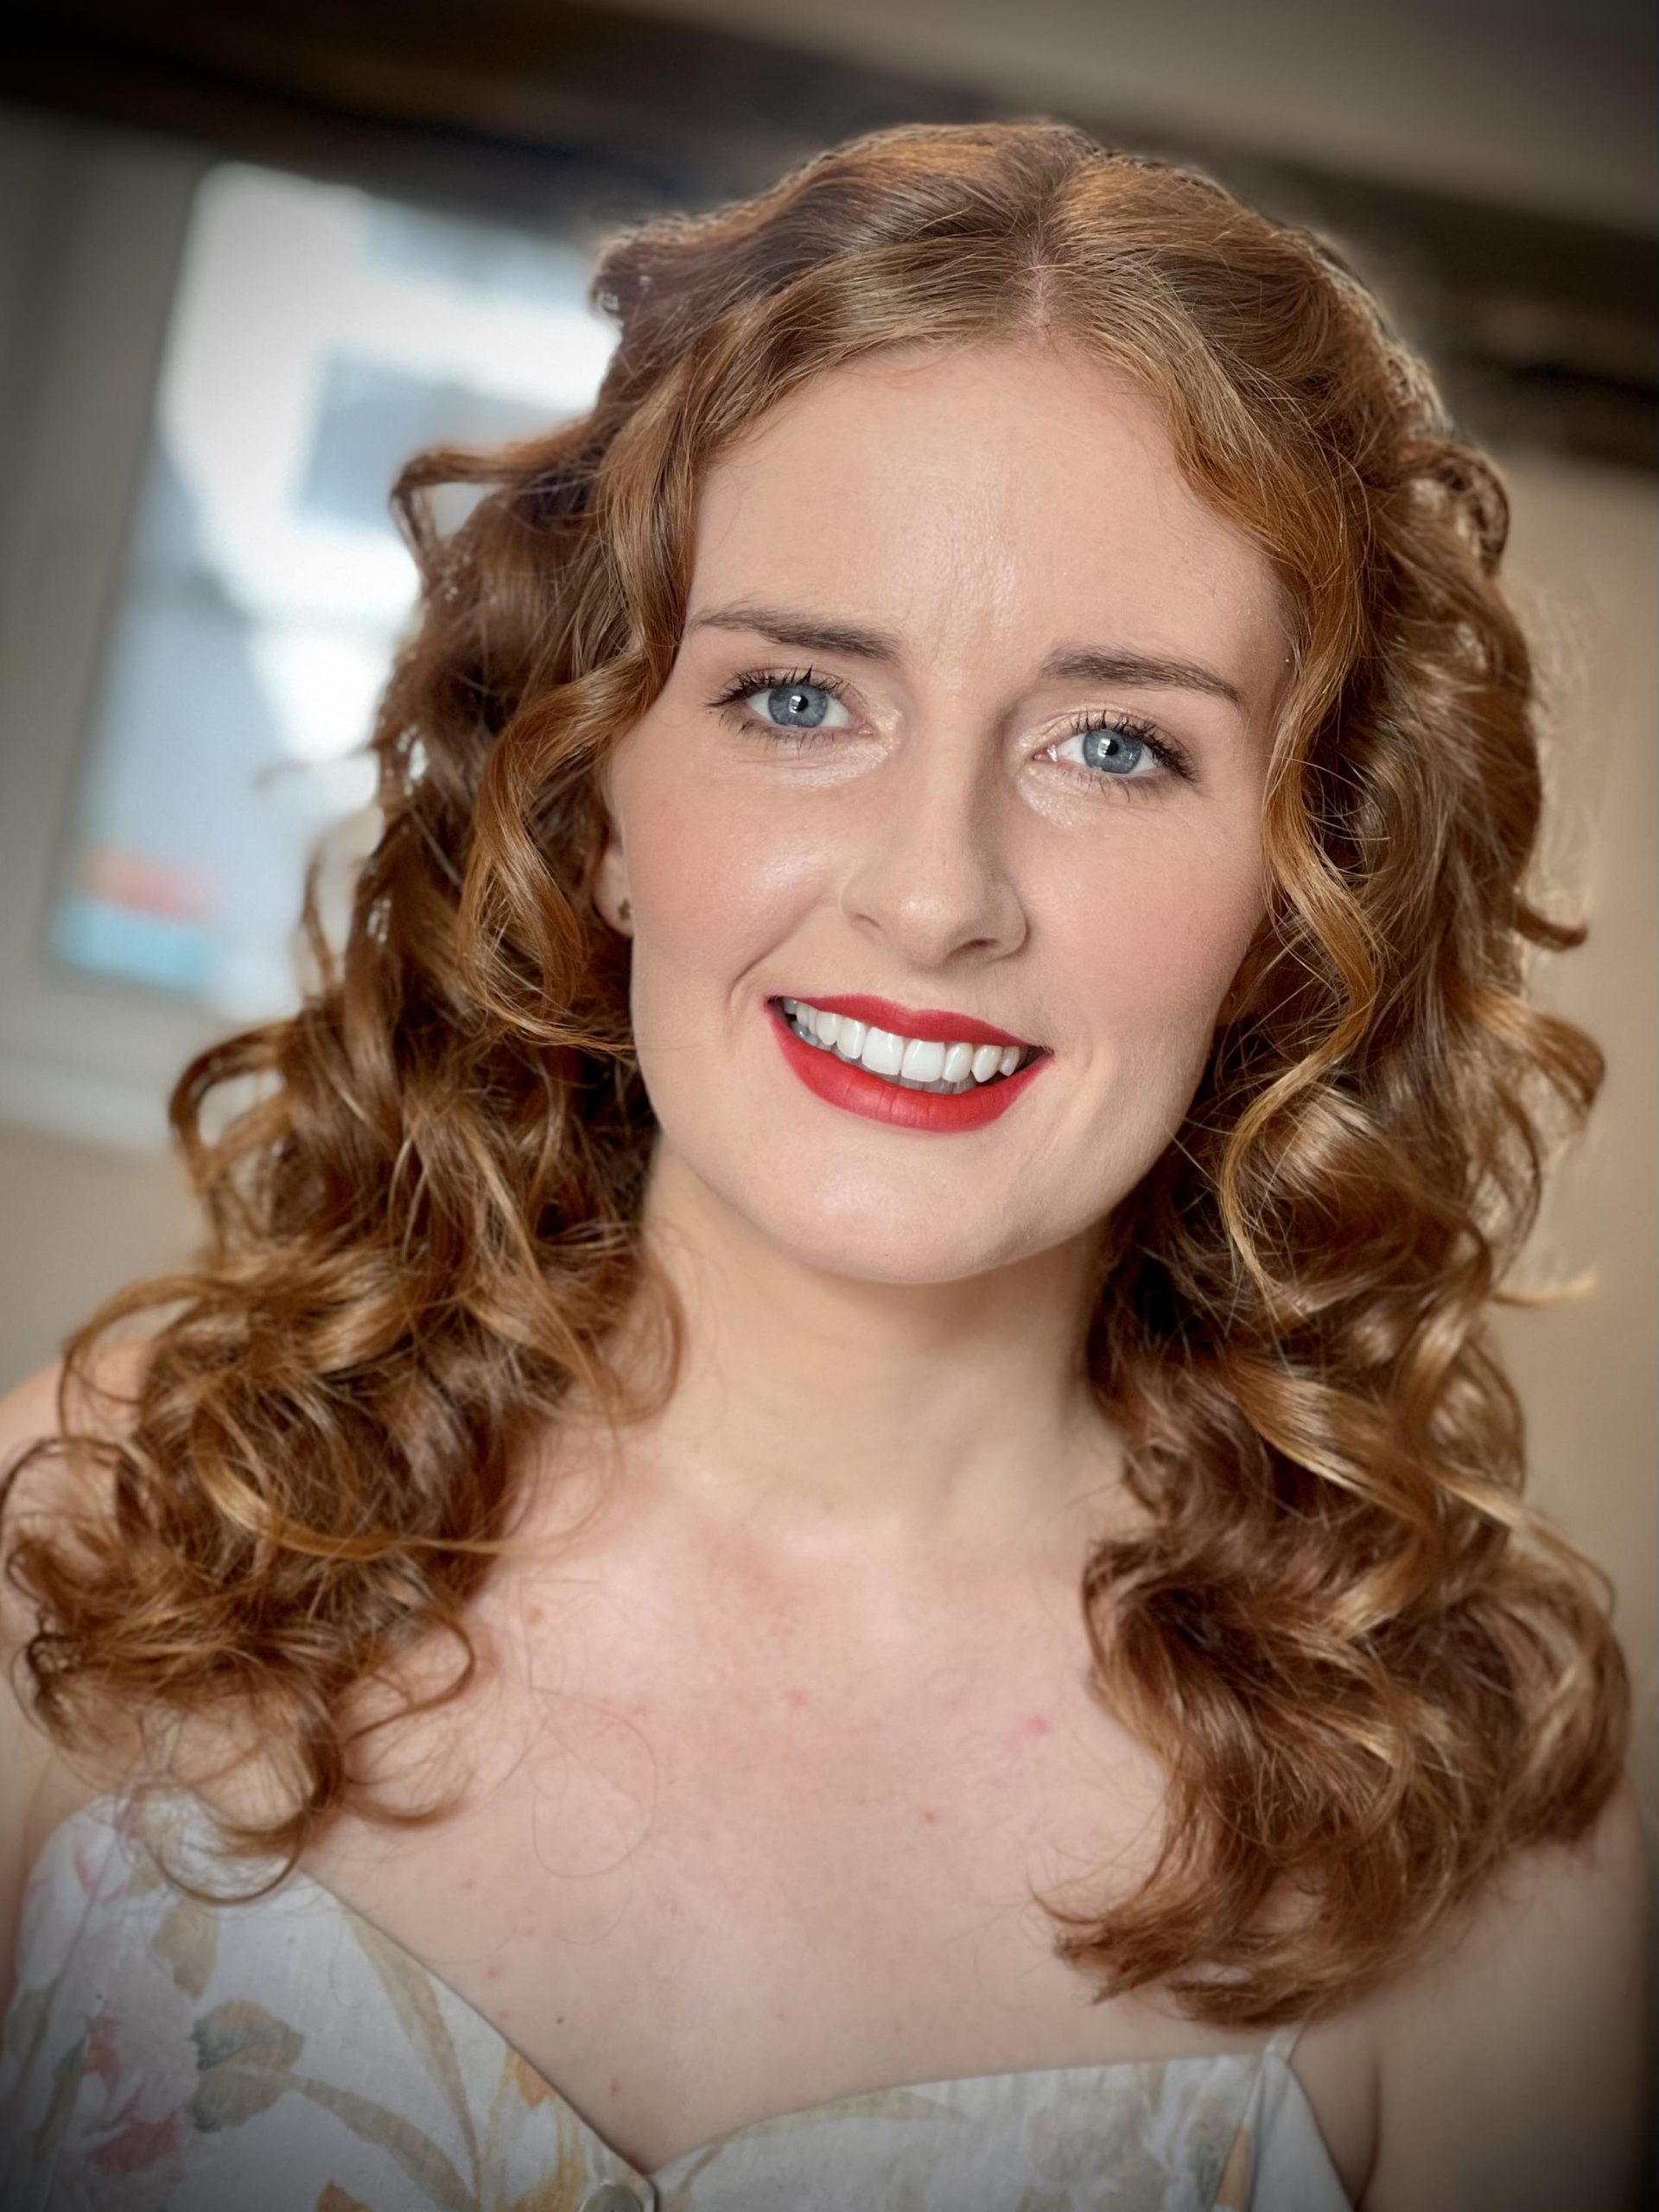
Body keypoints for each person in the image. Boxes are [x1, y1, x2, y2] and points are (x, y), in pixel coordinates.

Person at [0, 119, 1647, 2212]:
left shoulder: (1475, 1813)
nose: (936, 893)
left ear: (1300, 889)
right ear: (596, 796)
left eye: (1116, 743)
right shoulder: (106, 1516)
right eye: (797, 697)